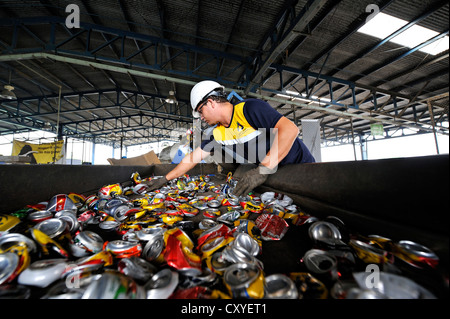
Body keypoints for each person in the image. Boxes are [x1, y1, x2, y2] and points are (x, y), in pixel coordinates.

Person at [143, 80, 315, 196]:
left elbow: (290, 129)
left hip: (303, 169)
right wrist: (165, 179)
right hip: (274, 175)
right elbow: (192, 158)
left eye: (200, 111)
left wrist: (263, 169)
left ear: (210, 102)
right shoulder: (217, 133)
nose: (201, 118)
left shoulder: (250, 109)